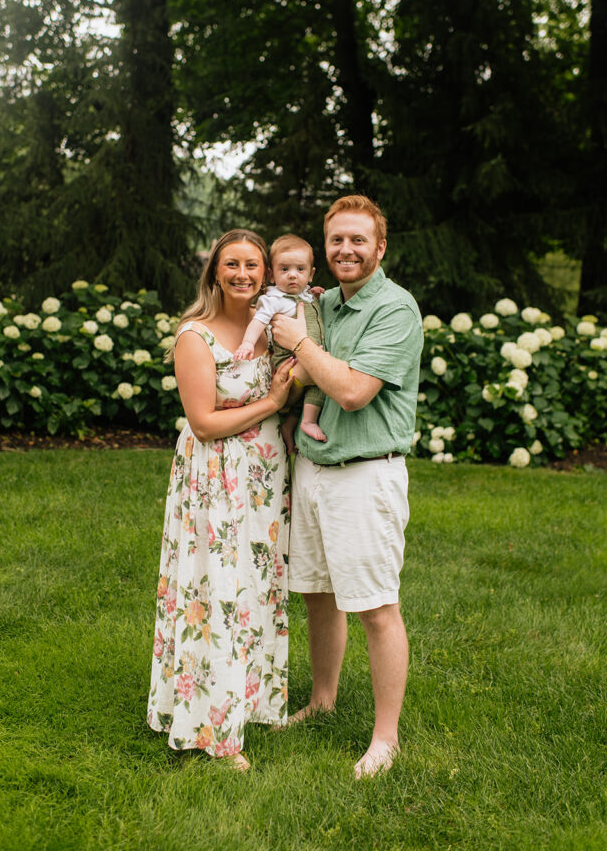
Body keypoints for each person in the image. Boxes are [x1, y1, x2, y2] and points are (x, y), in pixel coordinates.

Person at [271, 195, 423, 779]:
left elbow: (355, 392)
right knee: (318, 594)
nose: (346, 250)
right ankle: (323, 700)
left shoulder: (395, 309)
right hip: (313, 467)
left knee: (377, 607)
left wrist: (300, 345)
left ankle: (386, 740)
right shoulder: (323, 302)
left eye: (359, 240)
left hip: (365, 473)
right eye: (336, 240)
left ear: (380, 247)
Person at [147, 229, 294, 772]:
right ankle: (210, 728)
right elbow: (205, 423)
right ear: (213, 273)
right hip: (216, 475)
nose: (242, 274)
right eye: (231, 264)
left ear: (267, 272)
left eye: (252, 265)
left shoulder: (273, 327)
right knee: (216, 592)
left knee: (254, 589)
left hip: (261, 477)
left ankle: (248, 703)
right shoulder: (196, 335)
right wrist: (273, 401)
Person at [234, 233, 326, 443]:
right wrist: (248, 342)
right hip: (289, 359)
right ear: (272, 274)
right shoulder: (273, 300)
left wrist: (315, 294)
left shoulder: (307, 294)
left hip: (311, 354)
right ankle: (306, 421)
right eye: (285, 269)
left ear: (311, 274)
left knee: (319, 386)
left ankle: (297, 422)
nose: (293, 275)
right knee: (314, 382)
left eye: (300, 269)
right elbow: (258, 321)